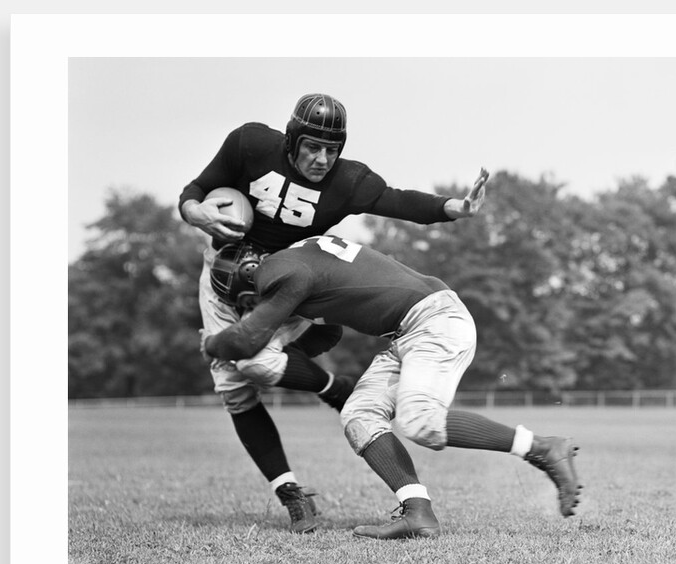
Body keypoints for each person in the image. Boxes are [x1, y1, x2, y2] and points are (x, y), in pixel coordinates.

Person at [179, 93, 487, 533]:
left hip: (290, 284)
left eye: (332, 149)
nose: (322, 158)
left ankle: (327, 382)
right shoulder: (249, 144)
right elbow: (192, 193)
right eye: (312, 147)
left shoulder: (349, 182)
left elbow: (399, 202)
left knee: (254, 362)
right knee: (235, 388)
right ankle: (291, 493)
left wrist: (454, 208)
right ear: (290, 140)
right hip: (224, 275)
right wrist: (197, 212)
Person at [202, 235, 582, 540]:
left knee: (419, 421)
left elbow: (246, 340)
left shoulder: (274, 272)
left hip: (433, 320)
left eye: (247, 301)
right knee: (359, 414)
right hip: (408, 331)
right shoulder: (298, 260)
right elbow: (329, 331)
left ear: (248, 275)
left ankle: (543, 447)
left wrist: (213, 344)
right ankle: (418, 511)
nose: (252, 308)